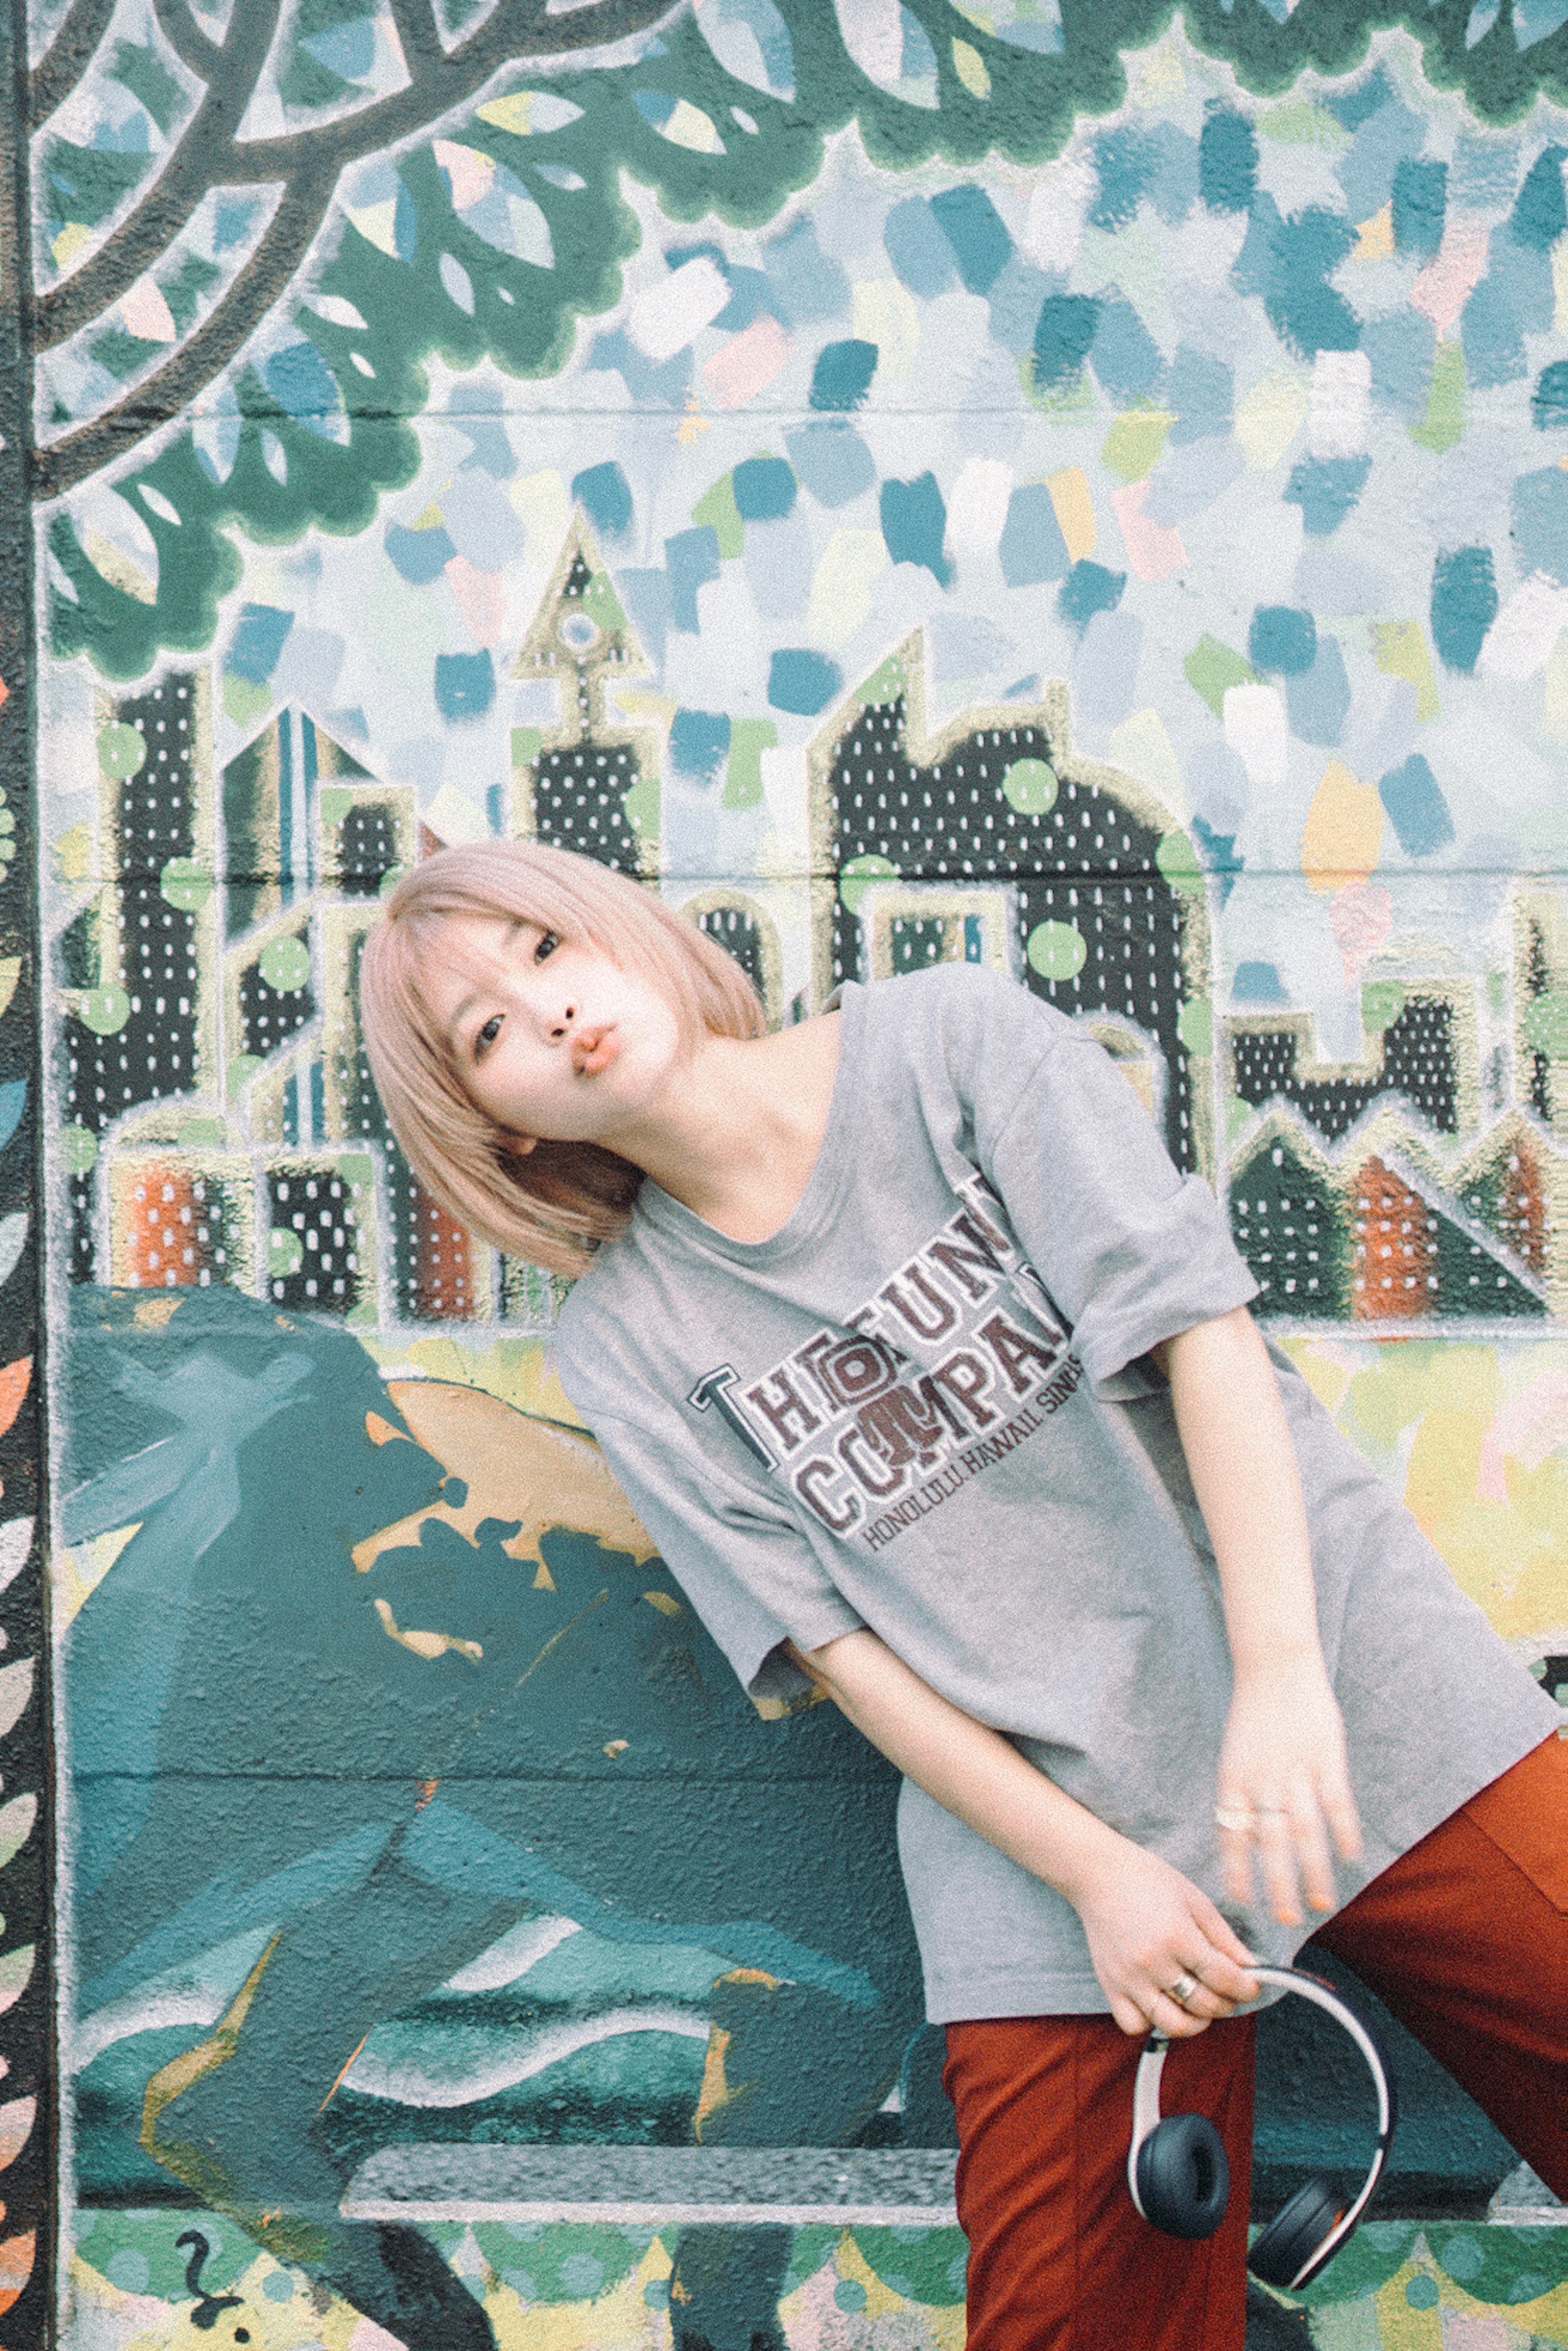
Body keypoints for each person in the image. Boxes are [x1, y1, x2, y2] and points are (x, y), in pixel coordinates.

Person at [360, 838, 1565, 2351]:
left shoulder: (952, 1044)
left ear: (620, 929)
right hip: (1052, 1841)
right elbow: (845, 1655)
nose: (547, 1014)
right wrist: (1099, 1878)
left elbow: (1205, 1336)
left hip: (1334, 1686)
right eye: (485, 1035)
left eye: (544, 952)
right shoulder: (625, 1343)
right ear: (497, 1129)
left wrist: (1278, 1677)